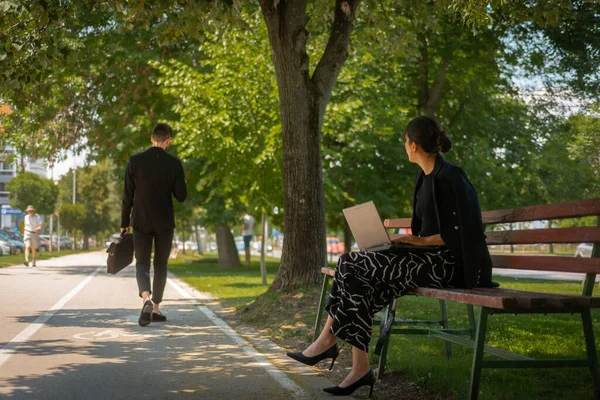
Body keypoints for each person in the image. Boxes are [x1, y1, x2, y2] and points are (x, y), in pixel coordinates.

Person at [286, 115, 493, 397]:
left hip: (447, 265)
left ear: (415, 145)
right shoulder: (424, 178)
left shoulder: (452, 177)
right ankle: (355, 364)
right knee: (354, 271)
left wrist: (414, 239)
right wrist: (399, 241)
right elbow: (426, 228)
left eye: (405, 141)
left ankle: (330, 344)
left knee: (352, 266)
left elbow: (462, 232)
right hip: (423, 258)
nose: (404, 146)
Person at [121, 123, 187, 327]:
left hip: (140, 220)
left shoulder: (135, 161)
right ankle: (156, 309)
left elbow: (127, 196)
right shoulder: (174, 164)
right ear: (168, 141)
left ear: (152, 138)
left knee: (142, 263)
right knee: (161, 265)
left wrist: (124, 223)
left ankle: (146, 299)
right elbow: (181, 196)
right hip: (165, 222)